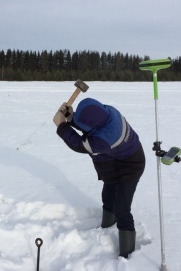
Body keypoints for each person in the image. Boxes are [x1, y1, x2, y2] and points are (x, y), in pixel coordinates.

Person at [53, 98, 145, 258]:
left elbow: (78, 143)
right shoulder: (108, 111)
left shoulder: (104, 139)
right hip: (115, 160)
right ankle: (107, 227)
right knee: (108, 195)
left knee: (122, 208)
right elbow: (92, 124)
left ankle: (128, 255)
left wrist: (62, 126)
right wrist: (71, 116)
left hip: (131, 166)